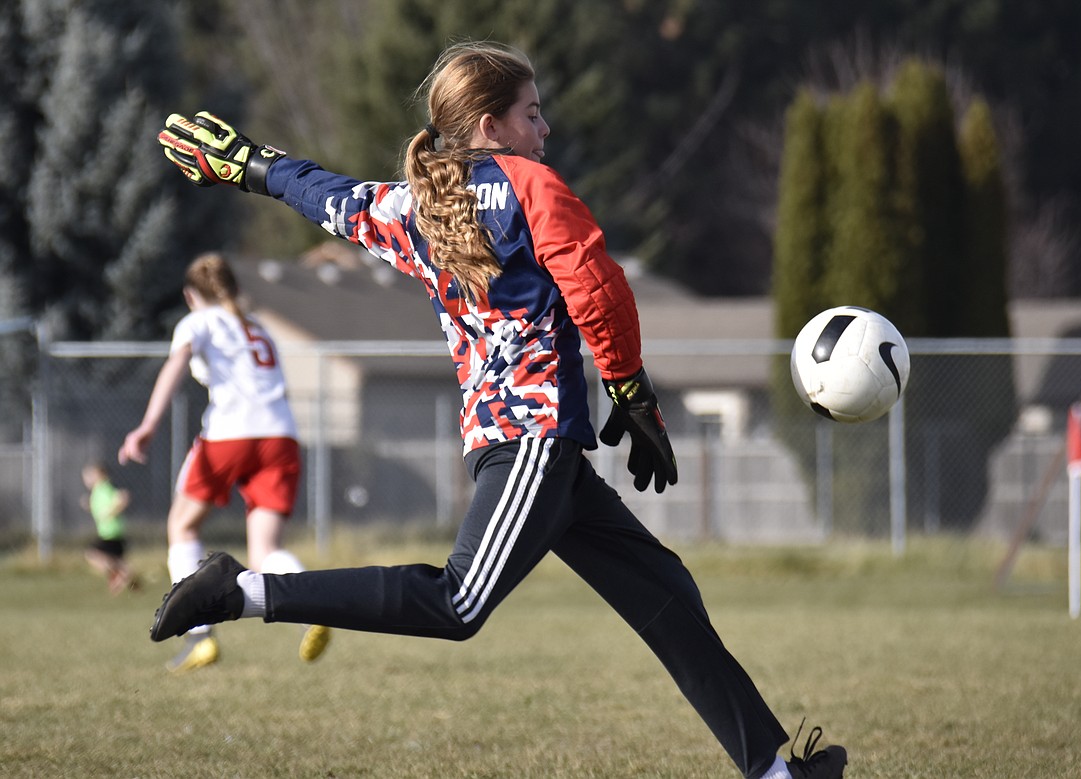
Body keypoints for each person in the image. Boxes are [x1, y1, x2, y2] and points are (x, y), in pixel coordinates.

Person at [149, 42, 847, 778]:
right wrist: (631, 390)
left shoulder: (417, 204)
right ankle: (241, 590)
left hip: (524, 444)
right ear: (490, 125)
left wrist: (252, 164)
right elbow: (596, 283)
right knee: (459, 601)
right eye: (532, 113)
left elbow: (329, 196)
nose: (544, 130)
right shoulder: (530, 185)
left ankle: (775, 769)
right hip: (532, 438)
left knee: (665, 591)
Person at [118, 252, 331, 673]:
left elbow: (177, 363)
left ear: (190, 295)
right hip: (281, 437)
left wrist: (147, 425)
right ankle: (312, 610)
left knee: (181, 526)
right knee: (266, 548)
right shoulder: (259, 328)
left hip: (230, 435)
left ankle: (200, 638)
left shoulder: (198, 321)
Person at [81, 461, 138, 594]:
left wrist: (110, 512)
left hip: (111, 532)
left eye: (89, 475)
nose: (86, 480)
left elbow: (122, 498)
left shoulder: (104, 488)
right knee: (113, 566)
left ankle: (124, 572)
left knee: (92, 555)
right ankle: (127, 579)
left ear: (100, 475)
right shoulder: (98, 491)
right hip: (110, 532)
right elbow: (102, 507)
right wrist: (90, 506)